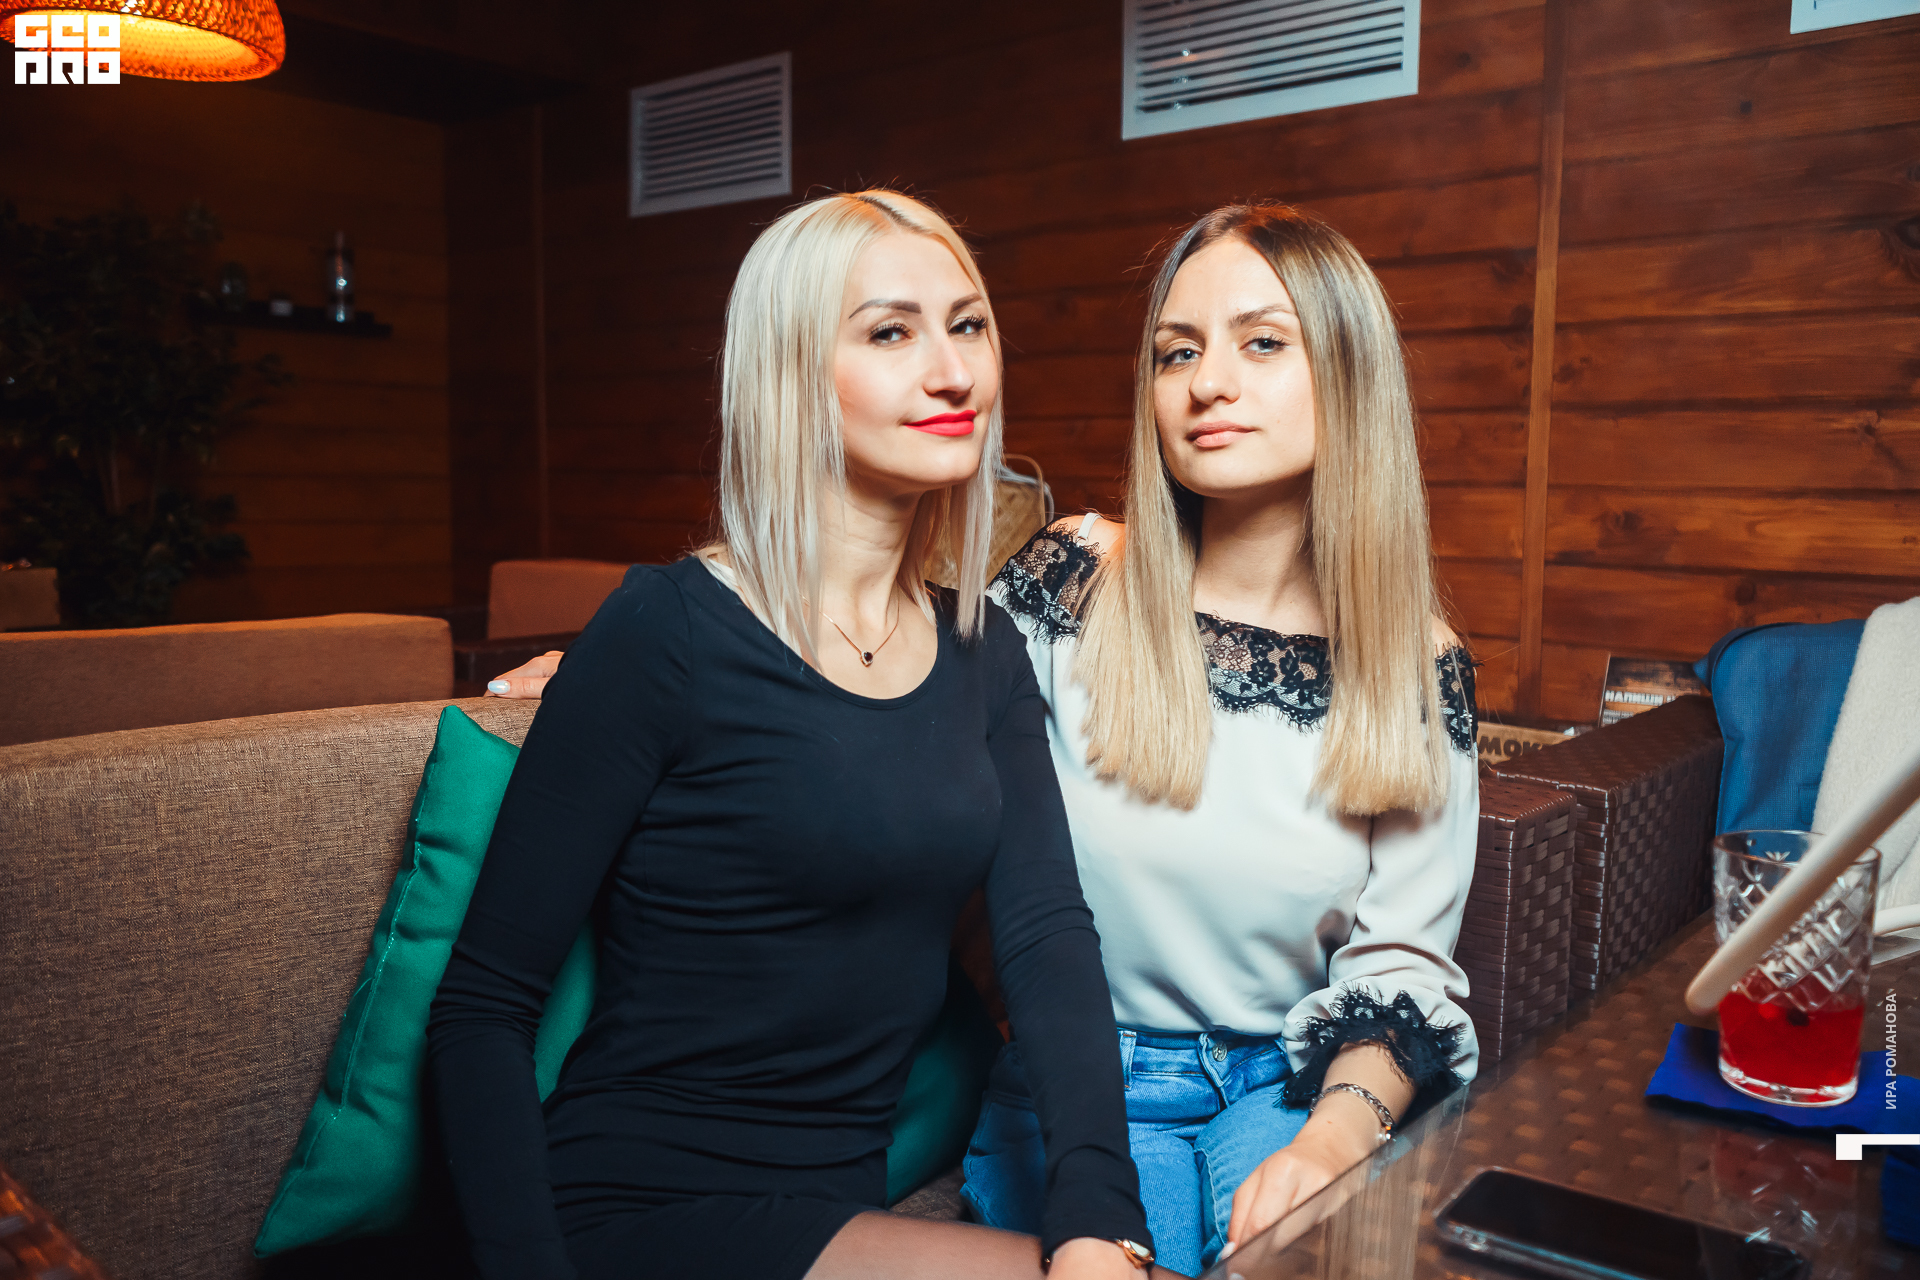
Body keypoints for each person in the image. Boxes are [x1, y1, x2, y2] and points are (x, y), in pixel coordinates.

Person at [483, 202, 1482, 1274]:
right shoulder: (1067, 584)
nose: (1209, 384)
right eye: (1177, 351)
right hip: (1081, 1075)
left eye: (1263, 343)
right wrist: (616, 662)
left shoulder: (1416, 664)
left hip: (1287, 1084)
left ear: (1352, 372)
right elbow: (873, 690)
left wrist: (1332, 1139)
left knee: (1320, 1255)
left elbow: (1402, 959)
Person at [427, 189, 1166, 1280]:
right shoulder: (668, 631)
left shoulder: (985, 652)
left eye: (967, 324)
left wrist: (1100, 1217)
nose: (953, 371)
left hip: (834, 1203)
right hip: (637, 1204)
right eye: (890, 332)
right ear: (790, 374)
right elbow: (481, 1006)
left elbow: (1047, 939)